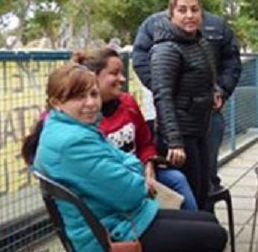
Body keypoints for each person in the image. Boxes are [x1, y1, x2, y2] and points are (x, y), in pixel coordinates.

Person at [23, 63, 228, 252]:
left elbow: (124, 161)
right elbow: (132, 193)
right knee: (213, 236)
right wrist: (137, 173)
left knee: (205, 221)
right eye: (79, 97)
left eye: (93, 94)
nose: (90, 103)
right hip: (108, 238)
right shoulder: (72, 142)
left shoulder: (67, 128)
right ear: (57, 102)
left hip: (114, 222)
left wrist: (132, 170)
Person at [133, 0, 242, 199]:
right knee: (188, 196)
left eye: (194, 9)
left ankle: (206, 220)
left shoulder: (199, 40)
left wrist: (218, 90)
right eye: (182, 10)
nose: (189, 15)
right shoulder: (166, 47)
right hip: (179, 135)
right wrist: (174, 141)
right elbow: (163, 95)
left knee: (204, 188)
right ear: (171, 13)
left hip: (201, 127)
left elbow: (223, 66)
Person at [73, 47, 198, 211]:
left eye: (122, 73)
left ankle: (195, 219)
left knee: (176, 178)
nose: (122, 79)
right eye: (114, 73)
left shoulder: (127, 102)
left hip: (141, 172)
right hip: (115, 186)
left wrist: (149, 166)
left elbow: (145, 143)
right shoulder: (84, 117)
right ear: (93, 76)